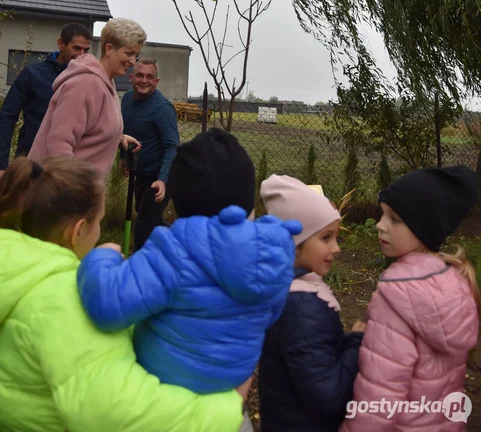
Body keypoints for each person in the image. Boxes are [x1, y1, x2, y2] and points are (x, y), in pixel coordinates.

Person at [0, 155, 246, 432]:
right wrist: (228, 407)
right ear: (78, 231)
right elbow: (115, 413)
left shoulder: (16, 270)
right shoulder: (66, 299)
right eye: (99, 221)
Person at [77, 128, 302, 398]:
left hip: (167, 390)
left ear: (179, 202)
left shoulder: (174, 250)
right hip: (229, 390)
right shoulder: (276, 250)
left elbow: (108, 304)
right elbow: (270, 315)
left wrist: (102, 258)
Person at [340, 166, 480, 432]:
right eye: (383, 214)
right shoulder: (456, 284)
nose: (380, 225)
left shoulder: (396, 299)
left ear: (423, 229)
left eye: (395, 219)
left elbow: (379, 400)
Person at [258, 175, 364, 432]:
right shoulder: (301, 307)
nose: (337, 248)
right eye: (326, 237)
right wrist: (356, 344)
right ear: (294, 246)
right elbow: (328, 398)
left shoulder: (289, 289)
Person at [29, 18, 145, 178]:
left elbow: (90, 128)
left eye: (136, 55)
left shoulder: (106, 83)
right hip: (58, 193)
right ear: (109, 48)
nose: (133, 61)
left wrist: (118, 137)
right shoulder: (86, 83)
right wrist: (75, 193)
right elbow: (59, 143)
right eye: (129, 53)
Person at [0, 22, 92, 176]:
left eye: (86, 50)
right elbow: (7, 116)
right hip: (31, 163)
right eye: (76, 48)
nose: (81, 55)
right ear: (61, 44)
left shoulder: (88, 80)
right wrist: (1, 165)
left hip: (69, 167)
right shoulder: (32, 74)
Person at [120, 58, 180, 250]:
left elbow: (173, 147)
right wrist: (123, 158)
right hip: (141, 171)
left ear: (156, 81)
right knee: (150, 220)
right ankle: (183, 244)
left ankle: (140, 273)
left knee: (143, 229)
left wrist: (162, 179)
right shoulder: (127, 99)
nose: (144, 80)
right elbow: (124, 132)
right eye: (139, 75)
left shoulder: (162, 108)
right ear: (131, 77)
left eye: (149, 77)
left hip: (163, 173)